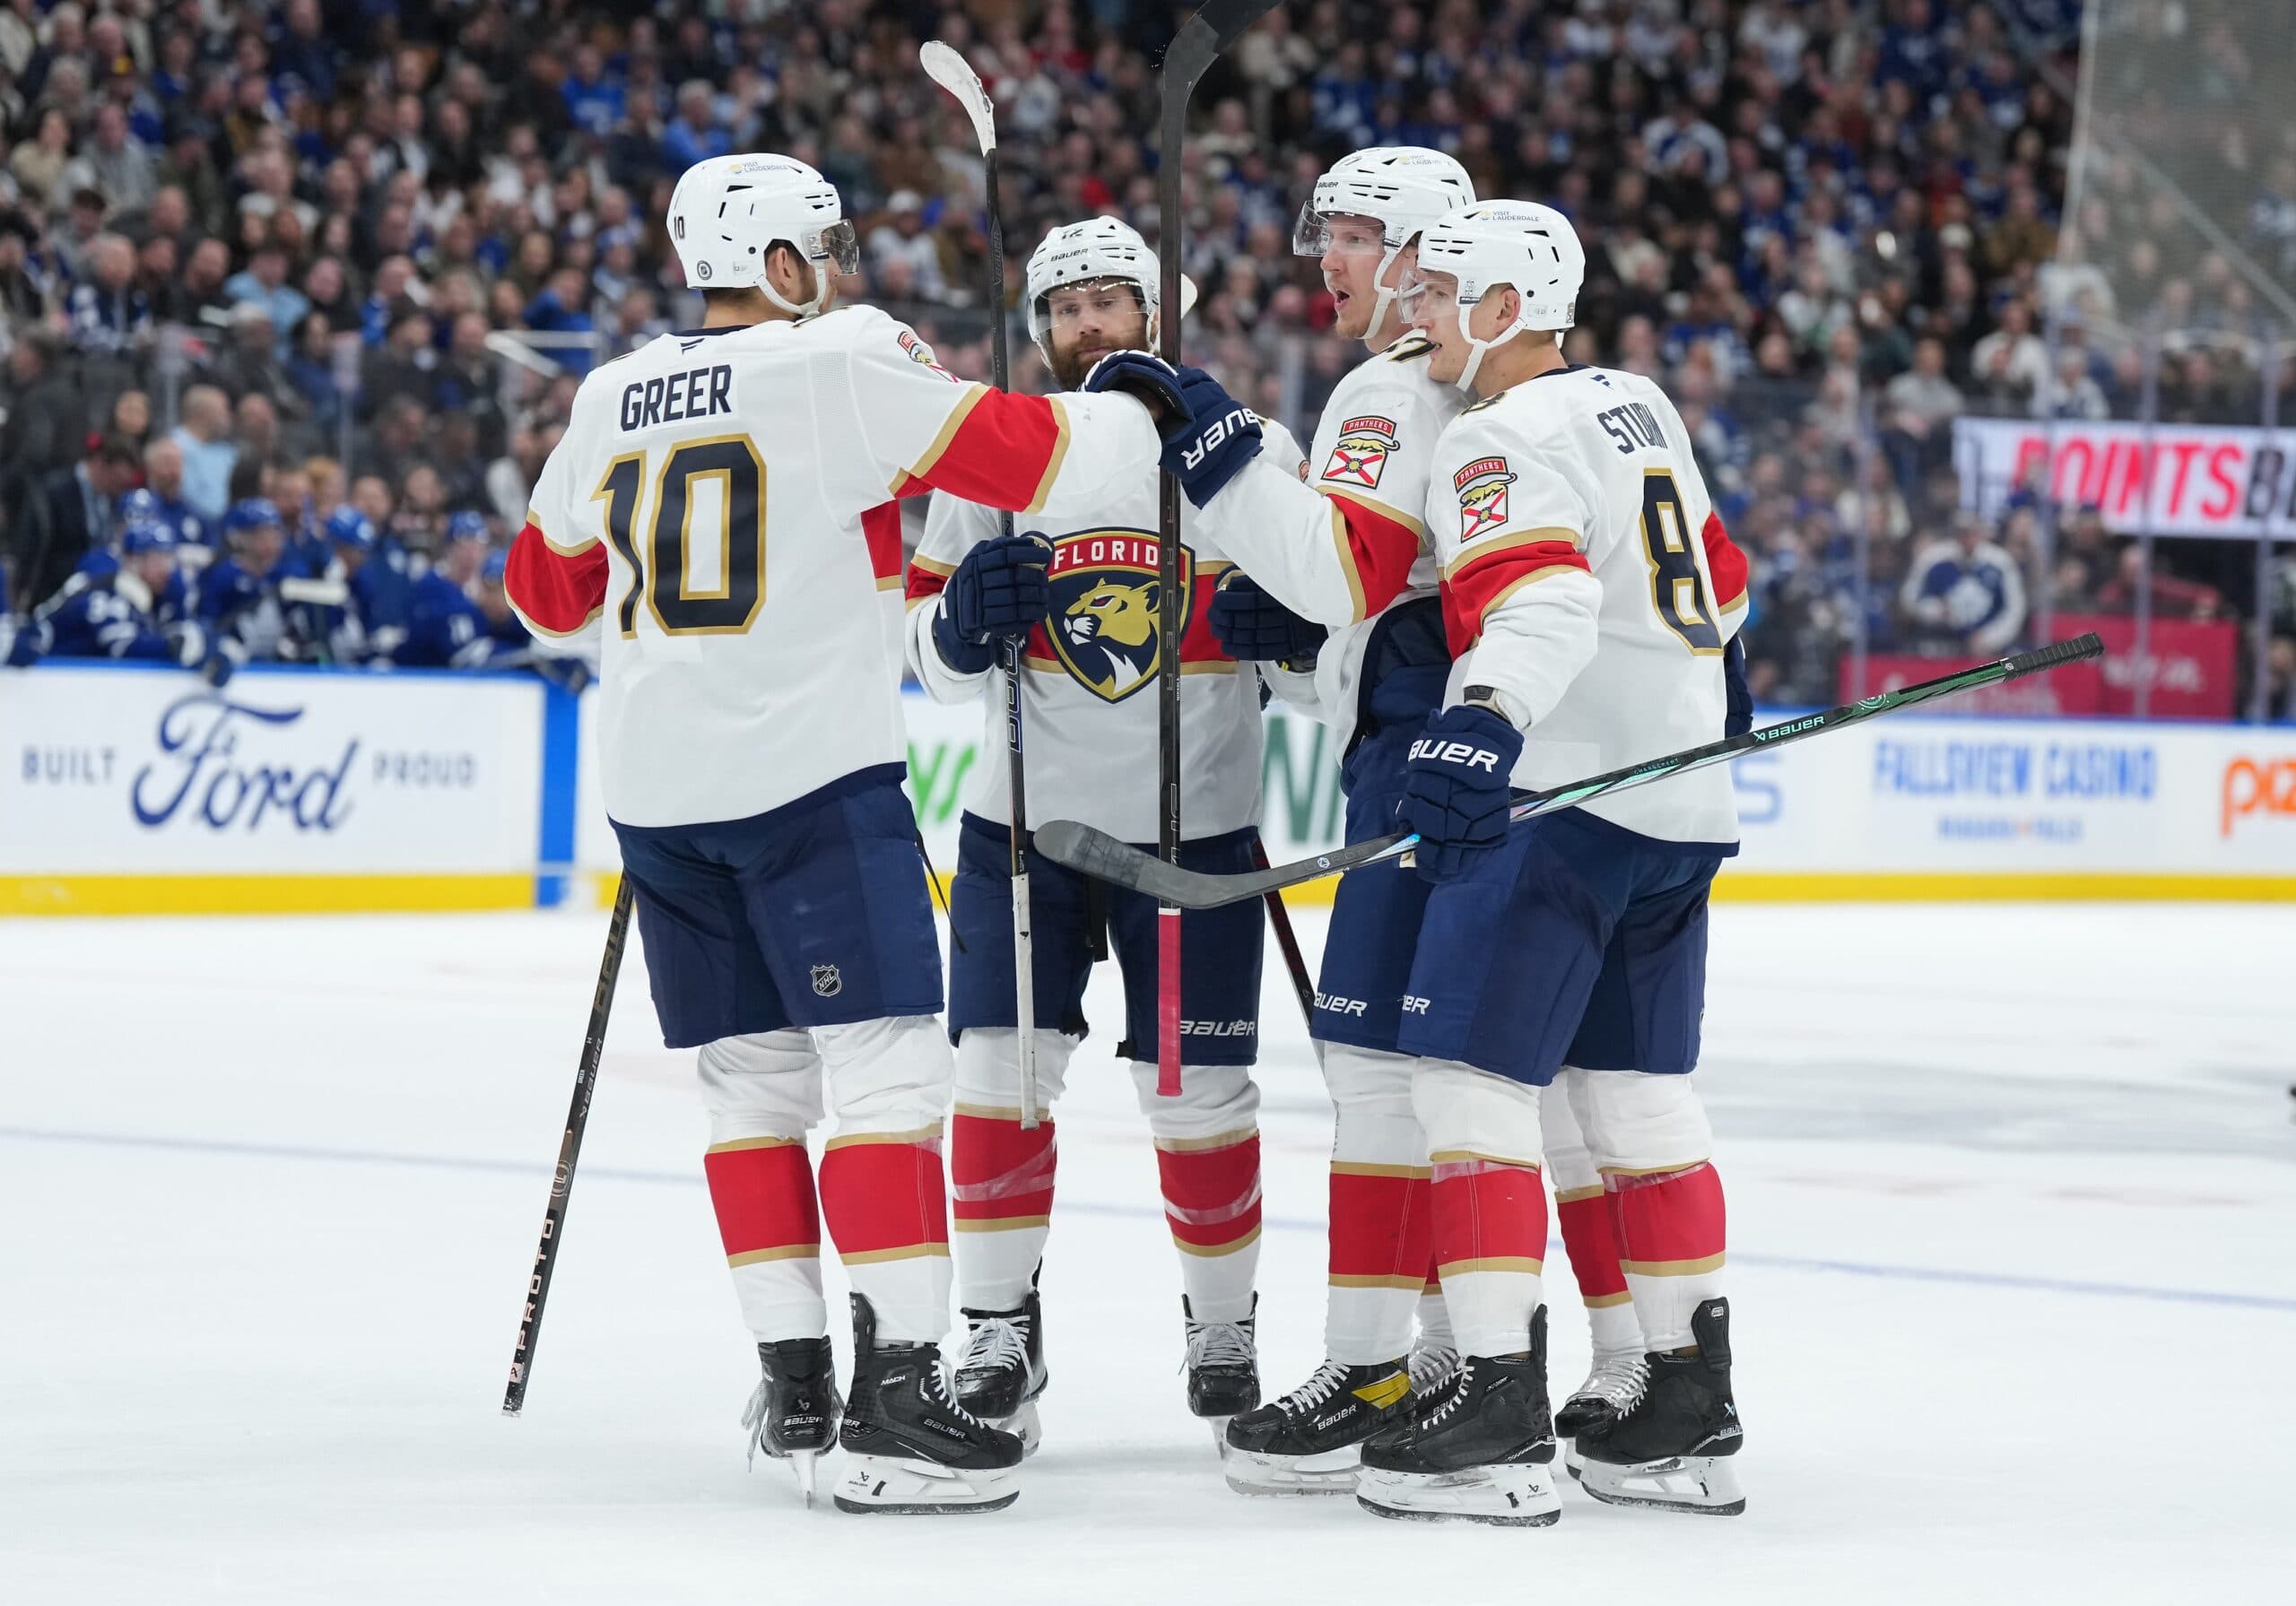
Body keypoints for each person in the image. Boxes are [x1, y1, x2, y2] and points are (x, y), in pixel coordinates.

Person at [499, 153, 1250, 1515]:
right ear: (782, 264)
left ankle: (795, 1383)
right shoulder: (841, 354)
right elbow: (1029, 452)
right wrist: (1153, 406)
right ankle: (900, 1394)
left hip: (657, 793)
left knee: (748, 1091)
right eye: (825, 250)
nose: (839, 271)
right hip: (807, 781)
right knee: (892, 1080)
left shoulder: (608, 391)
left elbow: (547, 598)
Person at [1322, 200, 1750, 1524]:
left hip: (1562, 802)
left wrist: (1483, 717)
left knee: (1466, 1084)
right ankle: (1686, 1407)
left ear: (1505, 307)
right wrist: (1696, 691)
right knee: (1636, 1100)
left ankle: (1495, 1408)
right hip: (1678, 807)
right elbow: (1723, 586)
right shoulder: (1638, 404)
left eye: (1439, 293)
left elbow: (1546, 595)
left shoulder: (1493, 433)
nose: (1419, 315)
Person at [903, 218, 1291, 1454]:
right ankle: (996, 1326)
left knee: (1196, 1093)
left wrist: (1289, 630)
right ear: (1040, 330)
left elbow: (1318, 623)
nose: (1087, 325)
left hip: (1193, 834)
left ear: (1156, 315)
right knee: (996, 1076)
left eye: (1109, 302)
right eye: (1065, 309)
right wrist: (961, 623)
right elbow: (926, 654)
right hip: (1022, 830)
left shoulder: (1242, 448)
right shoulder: (997, 456)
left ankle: (1222, 1327)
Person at [1152, 147, 1498, 1495]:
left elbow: (1346, 569)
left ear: (1416, 253)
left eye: (1350, 234)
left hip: (1421, 759)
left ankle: (1375, 1370)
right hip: (1478, 745)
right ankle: (1469, 1360)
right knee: (1469, 1078)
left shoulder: (1392, 383)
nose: (1325, 259)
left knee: (1373, 1071)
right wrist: (1300, 653)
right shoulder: (1501, 384)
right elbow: (1387, 604)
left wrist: (1222, 460)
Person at [41, 517, 224, 680]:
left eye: (169, 559)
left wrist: (209, 656)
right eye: (158, 559)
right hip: (52, 680)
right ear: (133, 561)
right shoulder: (106, 592)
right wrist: (171, 646)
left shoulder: (160, 595)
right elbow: (122, 646)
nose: (167, 569)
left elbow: (181, 631)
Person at [6, 433, 142, 614]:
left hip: (95, 599)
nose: (117, 488)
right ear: (99, 463)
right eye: (115, 479)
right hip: (53, 599)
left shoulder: (109, 501)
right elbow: (31, 550)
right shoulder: (54, 494)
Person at [198, 497, 308, 664]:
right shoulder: (223, 576)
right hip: (233, 663)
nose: (269, 542)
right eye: (260, 535)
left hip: (274, 666)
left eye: (274, 534)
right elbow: (207, 622)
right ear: (240, 536)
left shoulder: (287, 574)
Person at [1900, 512, 2027, 655]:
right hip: (1941, 640)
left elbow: (2015, 610)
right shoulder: (1933, 558)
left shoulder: (2000, 562)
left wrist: (1990, 638)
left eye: (1972, 532)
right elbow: (1909, 598)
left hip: (1987, 646)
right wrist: (1933, 611)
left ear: (1981, 533)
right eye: (1962, 532)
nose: (1967, 538)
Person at [401, 511, 502, 669]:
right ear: (449, 548)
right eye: (464, 545)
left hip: (478, 670)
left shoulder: (488, 583)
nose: (471, 553)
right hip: (430, 672)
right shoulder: (430, 585)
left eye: (478, 545)